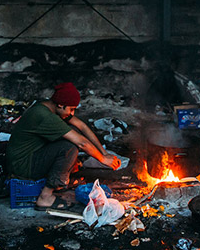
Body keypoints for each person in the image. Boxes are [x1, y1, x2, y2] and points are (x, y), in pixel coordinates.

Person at [6, 82, 121, 210]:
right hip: (23, 166)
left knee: (73, 131)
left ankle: (59, 183)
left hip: (31, 156)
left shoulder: (50, 107)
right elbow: (81, 143)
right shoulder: (44, 115)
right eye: (71, 109)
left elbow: (82, 127)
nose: (72, 113)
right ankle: (45, 197)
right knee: (69, 147)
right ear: (61, 105)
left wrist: (104, 152)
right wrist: (103, 159)